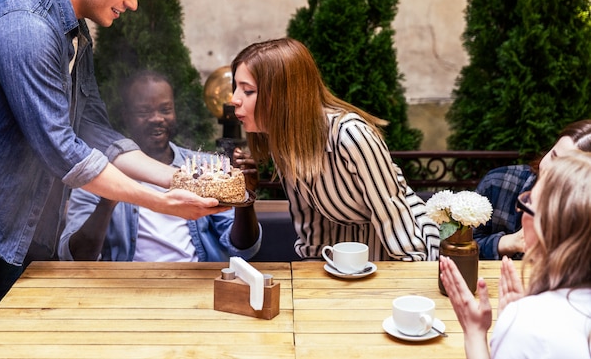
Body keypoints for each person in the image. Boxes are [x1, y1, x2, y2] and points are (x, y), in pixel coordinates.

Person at [0, 0, 226, 344]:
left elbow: (94, 131)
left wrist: (181, 180)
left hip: (16, 236)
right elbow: (62, 148)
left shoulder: (75, 36)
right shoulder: (26, 27)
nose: (134, 3)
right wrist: (160, 202)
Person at [230, 38, 439, 262]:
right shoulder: (282, 141)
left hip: (405, 247)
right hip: (346, 254)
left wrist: (412, 278)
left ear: (283, 95)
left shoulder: (350, 135)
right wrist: (310, 271)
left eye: (248, 91)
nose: (234, 100)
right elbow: (310, 221)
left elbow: (392, 215)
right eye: (236, 88)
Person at [59, 70, 262, 262]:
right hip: (129, 288)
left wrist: (244, 197)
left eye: (165, 110)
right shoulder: (100, 173)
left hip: (195, 284)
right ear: (126, 116)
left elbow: (243, 249)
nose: (157, 119)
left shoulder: (205, 171)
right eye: (144, 111)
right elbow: (74, 257)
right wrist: (110, 196)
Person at [440, 150, 591, 359]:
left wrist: (475, 334)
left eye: (527, 202)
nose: (520, 211)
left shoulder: (530, 326)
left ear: (534, 224)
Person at [474, 119, 591, 259]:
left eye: (564, 168)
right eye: (553, 156)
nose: (549, 170)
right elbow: (456, 246)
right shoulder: (499, 182)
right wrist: (507, 242)